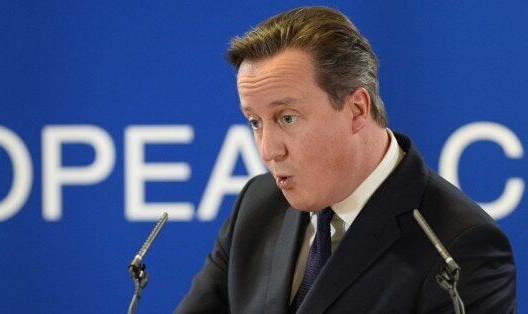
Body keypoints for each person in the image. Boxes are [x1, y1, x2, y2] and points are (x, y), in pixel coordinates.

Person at [176, 6, 516, 313]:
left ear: (357, 109)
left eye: (287, 118)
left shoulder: (457, 247)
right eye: (255, 122)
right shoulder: (258, 205)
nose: (268, 151)